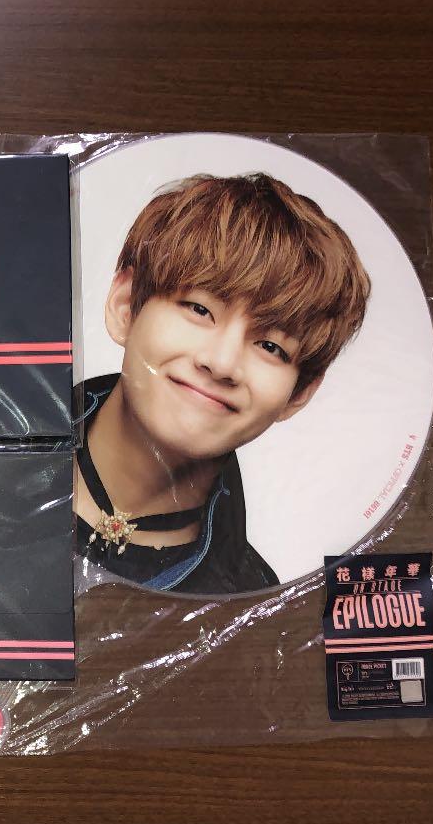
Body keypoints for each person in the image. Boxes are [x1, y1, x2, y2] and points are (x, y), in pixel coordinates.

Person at [75, 172, 370, 594]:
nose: (221, 363)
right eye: (199, 309)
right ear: (126, 306)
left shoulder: (253, 600)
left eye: (270, 346)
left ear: (299, 393)